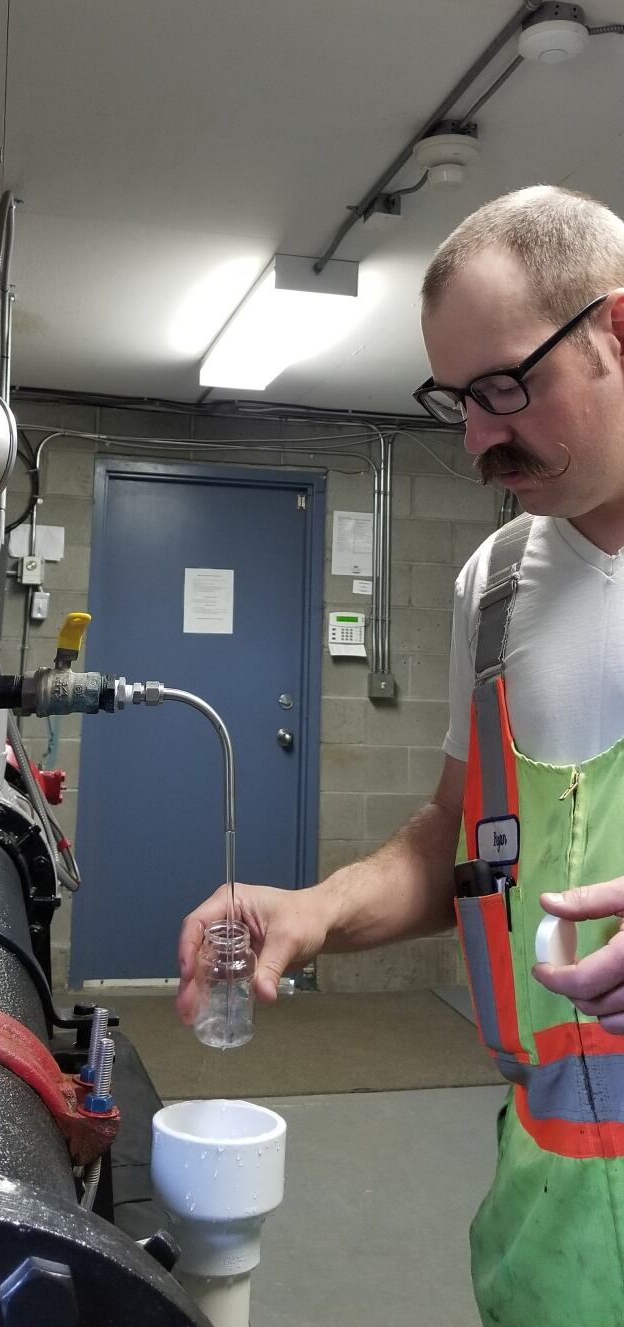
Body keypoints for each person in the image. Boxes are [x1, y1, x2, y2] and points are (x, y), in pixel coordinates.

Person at [176, 185, 624, 1327]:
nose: (475, 438)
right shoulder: (498, 585)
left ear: (617, 328)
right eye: (453, 401)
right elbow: (459, 837)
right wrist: (316, 910)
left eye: (501, 389)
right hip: (550, 1231)